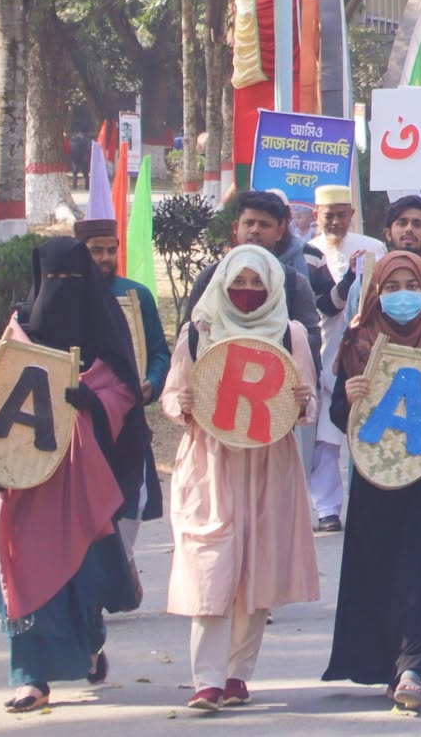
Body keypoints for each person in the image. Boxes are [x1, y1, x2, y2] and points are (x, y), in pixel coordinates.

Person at [161, 245, 321, 713]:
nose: (247, 292)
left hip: (270, 464)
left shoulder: (291, 335)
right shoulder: (198, 331)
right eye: (239, 282)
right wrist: (182, 404)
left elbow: (307, 408)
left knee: (257, 567)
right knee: (211, 566)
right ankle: (206, 680)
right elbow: (173, 395)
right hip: (210, 463)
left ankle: (236, 674)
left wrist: (301, 398)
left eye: (257, 284)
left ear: (272, 288)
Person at [0, 239, 147, 712]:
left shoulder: (106, 326)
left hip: (86, 478)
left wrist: (92, 404)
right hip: (27, 479)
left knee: (84, 578)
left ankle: (91, 642)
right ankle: (31, 678)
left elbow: (123, 392)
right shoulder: (18, 329)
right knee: (24, 571)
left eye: (71, 281)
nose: (61, 291)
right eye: (53, 281)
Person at [322, 252, 421, 712]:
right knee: (377, 563)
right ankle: (381, 661)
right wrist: (350, 398)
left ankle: (413, 667)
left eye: (411, 284)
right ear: (376, 291)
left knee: (418, 566)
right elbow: (339, 417)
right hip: (373, 473)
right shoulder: (357, 340)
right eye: (391, 286)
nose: (401, 294)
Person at [74, 217, 169, 561]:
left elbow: (158, 352)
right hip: (82, 417)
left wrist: (152, 383)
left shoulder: (136, 296)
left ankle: (122, 566)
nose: (105, 258)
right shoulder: (65, 296)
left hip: (128, 416)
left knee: (134, 497)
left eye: (111, 250)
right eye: (96, 250)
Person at [308, 185, 386, 534]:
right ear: (316, 216)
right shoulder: (308, 253)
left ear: (352, 215)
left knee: (365, 429)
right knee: (325, 438)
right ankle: (327, 509)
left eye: (342, 215)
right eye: (329, 215)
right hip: (323, 353)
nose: (336, 221)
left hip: (366, 353)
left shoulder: (373, 249)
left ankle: (365, 501)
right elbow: (324, 304)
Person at [185, 191, 325, 370]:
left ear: (279, 231)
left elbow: (311, 340)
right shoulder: (211, 278)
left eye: (264, 225)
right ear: (236, 227)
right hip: (215, 380)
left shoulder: (294, 283)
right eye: (249, 223)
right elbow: (190, 333)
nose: (255, 230)